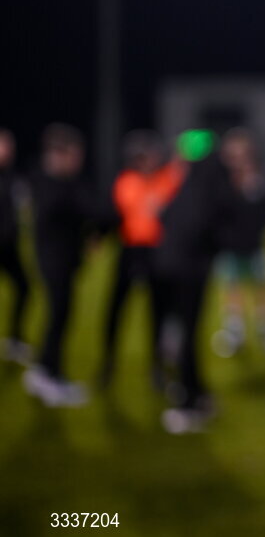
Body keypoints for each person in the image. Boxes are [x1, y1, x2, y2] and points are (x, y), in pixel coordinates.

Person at [23, 124, 110, 406]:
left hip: (64, 259)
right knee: (59, 315)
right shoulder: (49, 181)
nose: (78, 161)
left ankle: (44, 371)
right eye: (73, 154)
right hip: (53, 260)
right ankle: (50, 376)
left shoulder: (63, 182)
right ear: (58, 154)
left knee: (60, 315)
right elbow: (87, 209)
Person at [153, 150, 232, 433]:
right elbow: (212, 231)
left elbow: (164, 218)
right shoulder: (206, 192)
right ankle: (192, 397)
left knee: (183, 333)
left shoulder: (185, 188)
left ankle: (193, 397)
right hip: (189, 271)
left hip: (173, 270)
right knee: (187, 334)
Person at [99, 130, 184, 388]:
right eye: (142, 157)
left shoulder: (168, 179)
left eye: (151, 155)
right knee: (115, 308)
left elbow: (182, 174)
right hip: (130, 250)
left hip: (158, 253)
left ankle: (157, 366)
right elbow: (116, 214)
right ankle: (108, 362)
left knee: (158, 311)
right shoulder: (127, 181)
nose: (148, 160)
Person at [210, 128, 265, 358]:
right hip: (230, 248)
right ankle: (235, 332)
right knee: (232, 290)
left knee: (261, 289)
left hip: (256, 247)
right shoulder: (222, 181)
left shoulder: (258, 180)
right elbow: (218, 213)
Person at [0, 128, 31, 364]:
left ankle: (15, 338)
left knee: (24, 287)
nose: (7, 150)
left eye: (9, 145)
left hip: (9, 247)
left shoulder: (12, 176)